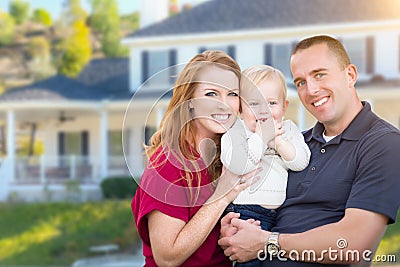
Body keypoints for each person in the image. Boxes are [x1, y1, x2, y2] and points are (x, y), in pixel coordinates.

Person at [218, 35, 400, 266]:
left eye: (320, 74)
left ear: (350, 75)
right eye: (301, 82)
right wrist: (234, 228)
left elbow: (354, 243)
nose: (311, 90)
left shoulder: (383, 143)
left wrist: (267, 242)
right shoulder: (297, 142)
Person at [131, 50, 260, 267]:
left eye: (232, 94)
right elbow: (167, 257)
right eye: (211, 94)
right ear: (189, 101)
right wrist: (222, 196)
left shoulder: (228, 156)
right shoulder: (168, 164)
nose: (224, 104)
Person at [220, 65, 311, 267]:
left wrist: (280, 143)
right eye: (254, 103)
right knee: (249, 262)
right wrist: (261, 138)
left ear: (284, 107)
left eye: (271, 103)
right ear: (241, 108)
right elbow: (238, 165)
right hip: (244, 213)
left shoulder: (287, 130)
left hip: (279, 216)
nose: (264, 110)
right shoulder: (235, 132)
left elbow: (301, 162)